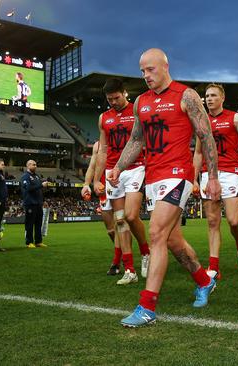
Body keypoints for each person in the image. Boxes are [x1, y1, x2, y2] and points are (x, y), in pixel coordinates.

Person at [110, 48, 220, 327]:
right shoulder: (141, 103)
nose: (145, 75)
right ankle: (204, 281)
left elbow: (206, 136)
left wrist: (214, 177)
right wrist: (119, 167)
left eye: (150, 69)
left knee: (157, 232)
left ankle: (147, 307)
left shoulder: (186, 96)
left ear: (165, 66)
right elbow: (136, 140)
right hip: (154, 177)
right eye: (142, 71)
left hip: (178, 175)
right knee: (172, 240)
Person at [193, 83, 238, 277]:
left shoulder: (235, 118)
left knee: (234, 221)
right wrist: (194, 178)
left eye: (213, 95)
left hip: (231, 172)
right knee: (212, 221)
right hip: (208, 174)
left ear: (222, 98)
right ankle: (214, 266)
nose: (209, 99)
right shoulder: (200, 122)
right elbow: (197, 152)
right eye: (207, 96)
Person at [93, 78, 151, 284]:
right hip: (112, 172)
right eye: (109, 99)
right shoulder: (104, 118)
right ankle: (130, 270)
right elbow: (104, 149)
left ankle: (146, 252)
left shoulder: (136, 111)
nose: (113, 102)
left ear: (124, 93)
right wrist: (95, 179)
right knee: (119, 220)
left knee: (131, 215)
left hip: (134, 168)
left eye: (116, 98)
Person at [82, 141, 121, 275]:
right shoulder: (97, 145)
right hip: (103, 189)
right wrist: (86, 184)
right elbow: (92, 166)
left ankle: (117, 261)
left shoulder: (120, 139)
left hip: (119, 185)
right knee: (111, 230)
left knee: (122, 225)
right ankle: (122, 252)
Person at [21, 160, 48, 248]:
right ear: (28, 165)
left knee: (38, 223)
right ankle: (29, 242)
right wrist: (41, 185)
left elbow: (39, 190)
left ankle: (38, 241)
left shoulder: (36, 176)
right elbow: (28, 188)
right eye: (34, 165)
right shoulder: (25, 176)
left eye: (36, 164)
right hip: (30, 203)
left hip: (38, 203)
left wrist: (43, 200)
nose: (36, 166)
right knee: (29, 223)